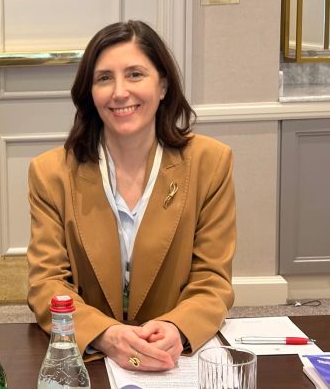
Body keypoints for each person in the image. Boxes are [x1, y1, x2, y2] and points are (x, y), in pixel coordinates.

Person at [27, 20, 236, 371]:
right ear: (90, 93)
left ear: (163, 85)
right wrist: (105, 334)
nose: (119, 92)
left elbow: (212, 279)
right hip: (92, 357)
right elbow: (46, 283)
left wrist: (176, 327)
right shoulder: (51, 173)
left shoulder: (210, 163)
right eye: (104, 78)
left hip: (172, 358)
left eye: (135, 74)